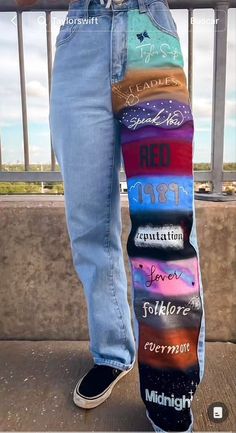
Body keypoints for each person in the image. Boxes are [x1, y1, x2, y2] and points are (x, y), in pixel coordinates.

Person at [49, 0, 205, 431]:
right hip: (80, 35)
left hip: (149, 29)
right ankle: (113, 352)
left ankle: (170, 387)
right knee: (88, 226)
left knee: (165, 229)